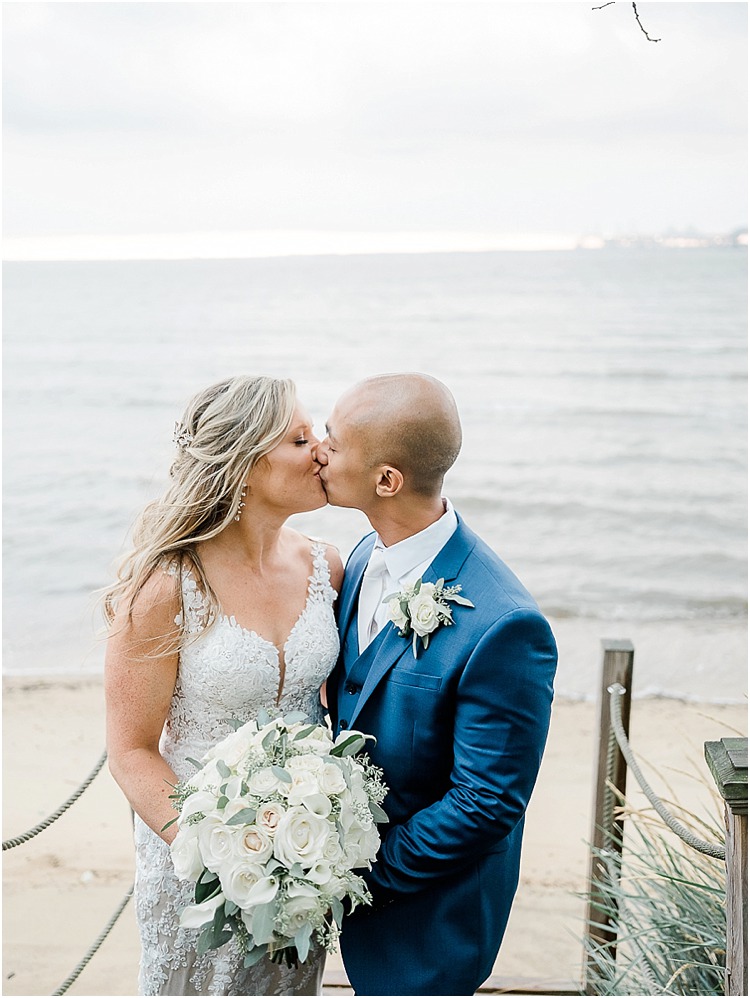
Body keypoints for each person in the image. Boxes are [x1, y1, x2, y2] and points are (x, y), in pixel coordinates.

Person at [314, 373, 557, 997]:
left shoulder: (505, 625)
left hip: (430, 917)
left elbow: (488, 803)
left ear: (386, 480)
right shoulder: (368, 552)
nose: (319, 450)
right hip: (352, 890)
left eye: (334, 443)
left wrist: (357, 871)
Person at [104, 375, 342, 997]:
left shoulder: (328, 565)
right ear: (244, 466)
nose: (323, 449)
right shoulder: (167, 586)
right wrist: (222, 857)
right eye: (299, 439)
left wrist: (312, 842)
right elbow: (131, 750)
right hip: (192, 861)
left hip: (301, 855)